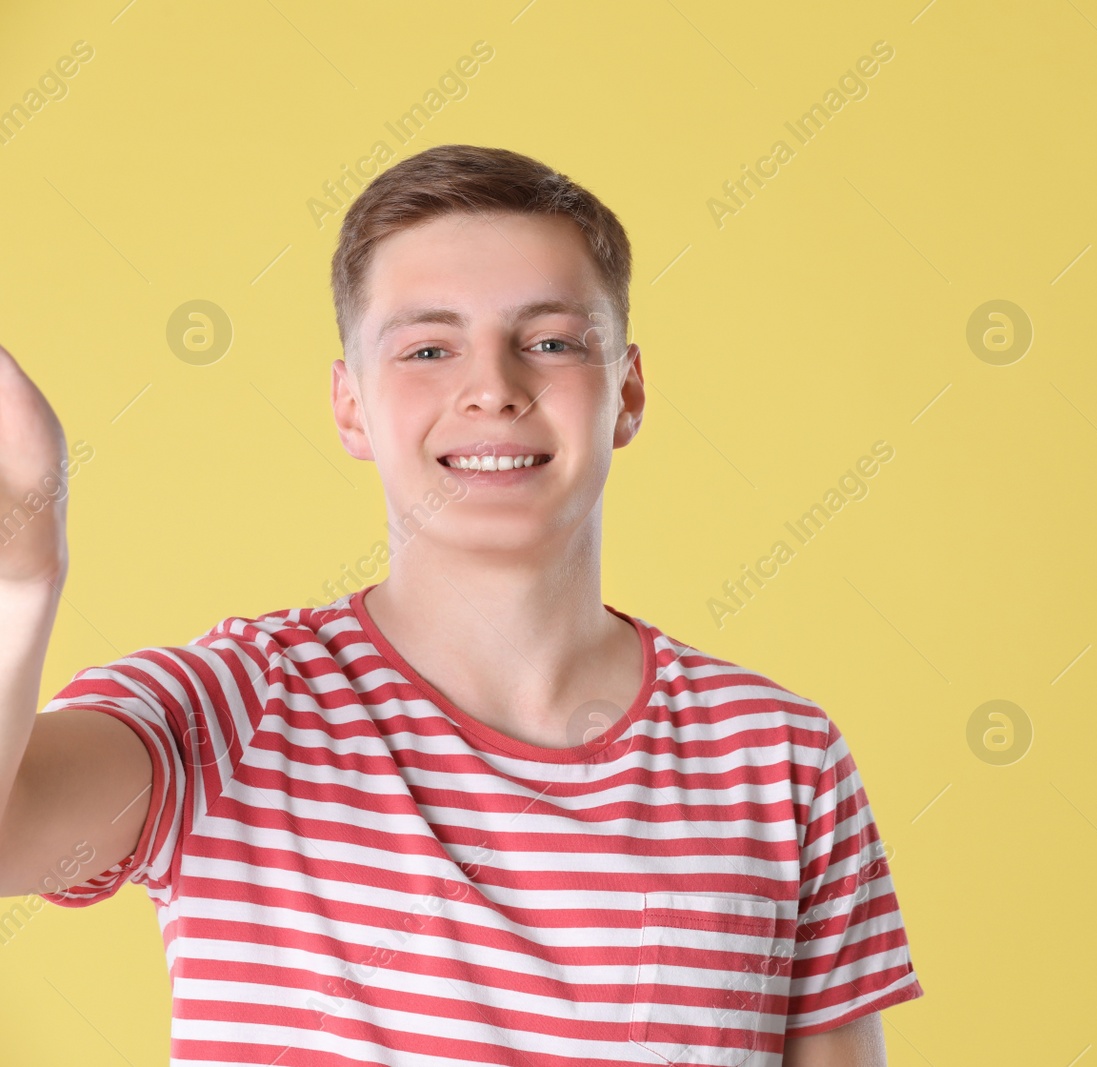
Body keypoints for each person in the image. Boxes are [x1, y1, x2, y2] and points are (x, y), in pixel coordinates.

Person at [0, 143, 922, 1066]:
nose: (493, 389)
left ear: (628, 391)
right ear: (351, 406)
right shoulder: (233, 707)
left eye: (551, 341)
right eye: (428, 348)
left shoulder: (779, 756)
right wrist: (19, 585)